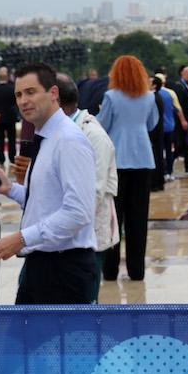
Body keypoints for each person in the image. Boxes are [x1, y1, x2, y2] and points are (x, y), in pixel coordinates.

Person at [0, 63, 96, 304]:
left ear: (53, 93)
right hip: (43, 265)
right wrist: (10, 189)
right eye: (19, 94)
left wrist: (21, 238)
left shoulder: (69, 140)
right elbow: (48, 200)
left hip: (65, 270)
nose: (23, 101)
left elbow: (78, 212)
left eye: (31, 92)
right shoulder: (47, 137)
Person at [56, 74, 118, 302]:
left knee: (85, 301)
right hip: (67, 235)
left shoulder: (92, 135)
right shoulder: (59, 132)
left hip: (85, 235)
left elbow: (95, 192)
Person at [97, 55, 160, 282]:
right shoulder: (149, 97)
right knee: (138, 219)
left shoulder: (111, 96)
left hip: (117, 161)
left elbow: (102, 125)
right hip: (143, 159)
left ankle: (110, 271)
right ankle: (136, 271)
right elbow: (152, 123)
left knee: (114, 218)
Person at [170, 65, 188, 174]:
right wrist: (182, 120)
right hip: (182, 121)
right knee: (180, 144)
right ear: (182, 74)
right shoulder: (179, 87)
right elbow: (177, 106)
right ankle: (167, 163)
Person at [0, 67, 19, 165]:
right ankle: (12, 158)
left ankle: (1, 159)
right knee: (12, 140)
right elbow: (16, 103)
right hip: (10, 118)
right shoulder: (12, 89)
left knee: (0, 140)